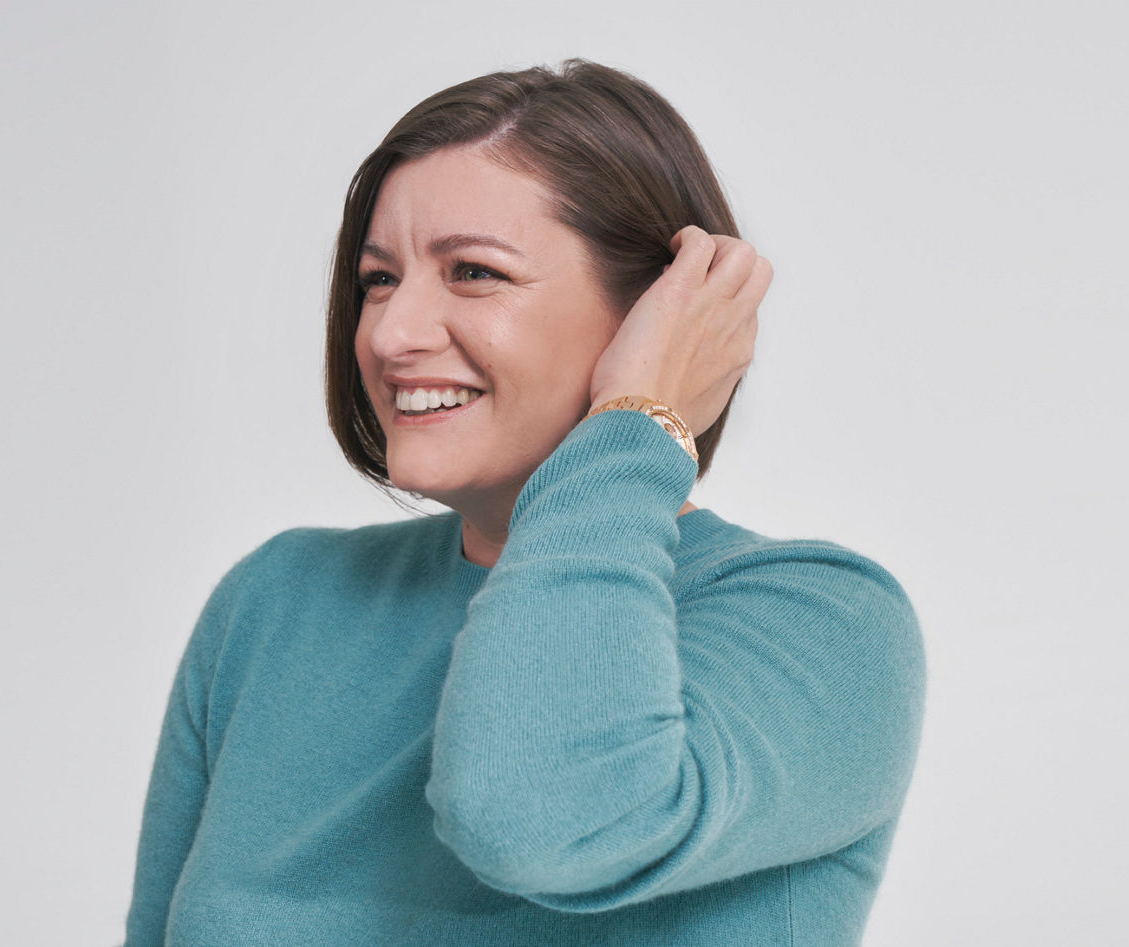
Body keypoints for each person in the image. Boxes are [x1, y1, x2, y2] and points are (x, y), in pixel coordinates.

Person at [123, 60, 925, 946]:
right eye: (378, 279)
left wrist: (638, 425)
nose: (390, 334)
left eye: (472, 271)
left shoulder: (822, 623)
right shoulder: (277, 603)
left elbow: (538, 818)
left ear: (655, 312)